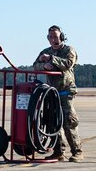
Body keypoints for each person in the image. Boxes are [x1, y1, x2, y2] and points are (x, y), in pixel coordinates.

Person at [33, 25, 82, 161]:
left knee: (69, 122)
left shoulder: (68, 50)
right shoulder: (45, 52)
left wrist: (52, 59)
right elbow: (35, 65)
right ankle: (59, 151)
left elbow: (68, 63)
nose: (53, 39)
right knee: (54, 123)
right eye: (51, 37)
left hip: (66, 90)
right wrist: (44, 65)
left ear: (62, 37)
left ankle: (77, 151)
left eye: (56, 36)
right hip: (52, 92)